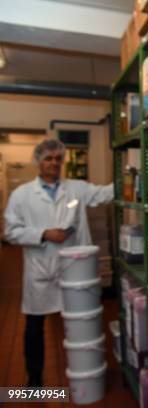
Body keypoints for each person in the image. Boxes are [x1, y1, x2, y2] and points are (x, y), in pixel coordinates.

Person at [3, 139, 114, 386]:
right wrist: (44, 234)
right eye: (48, 158)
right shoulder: (22, 195)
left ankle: (83, 372)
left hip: (75, 273)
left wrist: (131, 176)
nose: (54, 163)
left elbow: (105, 193)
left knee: (79, 323)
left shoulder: (76, 188)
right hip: (41, 272)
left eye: (57, 159)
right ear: (38, 162)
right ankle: (34, 381)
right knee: (34, 327)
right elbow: (11, 231)